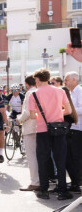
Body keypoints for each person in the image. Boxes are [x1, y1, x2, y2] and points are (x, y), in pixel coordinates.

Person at [28, 68, 72, 200]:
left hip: (42, 130)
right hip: (59, 129)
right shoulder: (60, 91)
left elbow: (31, 115)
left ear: (37, 79)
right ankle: (62, 191)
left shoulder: (33, 94)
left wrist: (42, 116)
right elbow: (68, 110)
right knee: (60, 159)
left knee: (43, 159)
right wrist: (57, 114)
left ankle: (44, 190)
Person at [17, 76, 40, 192]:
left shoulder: (29, 93)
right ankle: (42, 179)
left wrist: (19, 119)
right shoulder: (39, 91)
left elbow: (27, 112)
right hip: (41, 126)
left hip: (30, 126)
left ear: (26, 83)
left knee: (31, 156)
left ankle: (35, 181)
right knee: (40, 155)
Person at [64, 72, 82, 193]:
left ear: (74, 80)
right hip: (72, 128)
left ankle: (78, 182)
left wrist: (69, 111)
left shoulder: (79, 91)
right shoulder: (71, 92)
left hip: (78, 128)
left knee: (76, 157)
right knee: (70, 156)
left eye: (66, 80)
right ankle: (75, 181)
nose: (65, 82)